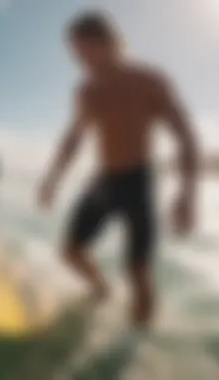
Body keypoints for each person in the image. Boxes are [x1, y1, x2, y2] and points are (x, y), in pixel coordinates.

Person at [37, 10, 198, 328]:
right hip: (104, 182)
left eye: (83, 52)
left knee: (138, 271)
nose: (80, 62)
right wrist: (52, 179)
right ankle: (102, 289)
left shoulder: (149, 80)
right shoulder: (86, 91)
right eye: (75, 55)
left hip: (138, 181)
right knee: (70, 252)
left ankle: (136, 341)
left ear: (108, 43)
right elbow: (73, 138)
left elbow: (184, 135)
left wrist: (187, 194)